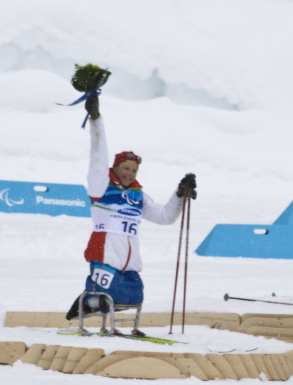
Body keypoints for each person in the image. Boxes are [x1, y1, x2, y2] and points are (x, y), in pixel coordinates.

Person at [65, 95, 196, 327]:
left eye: (134, 170)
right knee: (110, 297)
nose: (130, 173)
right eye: (125, 168)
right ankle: (88, 301)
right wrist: (96, 121)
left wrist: (180, 194)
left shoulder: (137, 195)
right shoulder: (101, 186)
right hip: (105, 252)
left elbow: (165, 217)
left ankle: (96, 303)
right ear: (115, 167)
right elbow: (97, 156)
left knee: (134, 297)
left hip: (130, 259)